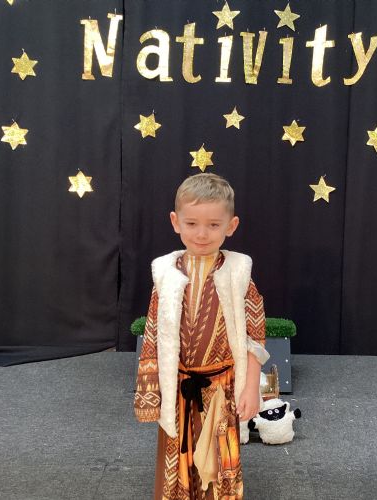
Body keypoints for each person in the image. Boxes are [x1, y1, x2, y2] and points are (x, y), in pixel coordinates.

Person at [134, 173, 270, 499]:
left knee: (219, 459)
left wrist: (251, 386)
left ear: (231, 226)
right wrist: (151, 391)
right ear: (175, 222)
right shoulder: (165, 274)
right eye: (192, 223)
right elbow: (153, 335)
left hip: (221, 389)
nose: (201, 233)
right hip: (178, 388)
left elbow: (255, 334)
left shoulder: (239, 273)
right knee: (176, 455)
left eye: (213, 225)